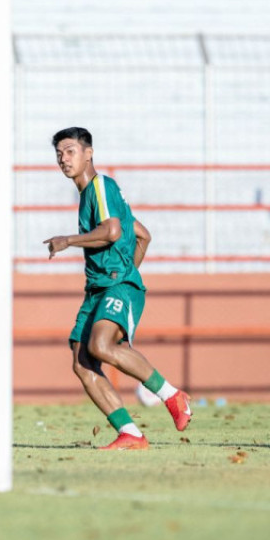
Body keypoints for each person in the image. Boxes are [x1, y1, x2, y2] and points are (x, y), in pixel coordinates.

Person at [44, 127, 191, 450]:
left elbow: (111, 232)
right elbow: (142, 234)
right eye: (59, 153)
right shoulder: (91, 195)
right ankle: (131, 434)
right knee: (82, 362)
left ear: (89, 153)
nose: (63, 158)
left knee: (99, 345)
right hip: (99, 288)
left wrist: (69, 242)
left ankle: (171, 395)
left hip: (115, 285)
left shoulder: (100, 186)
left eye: (70, 151)